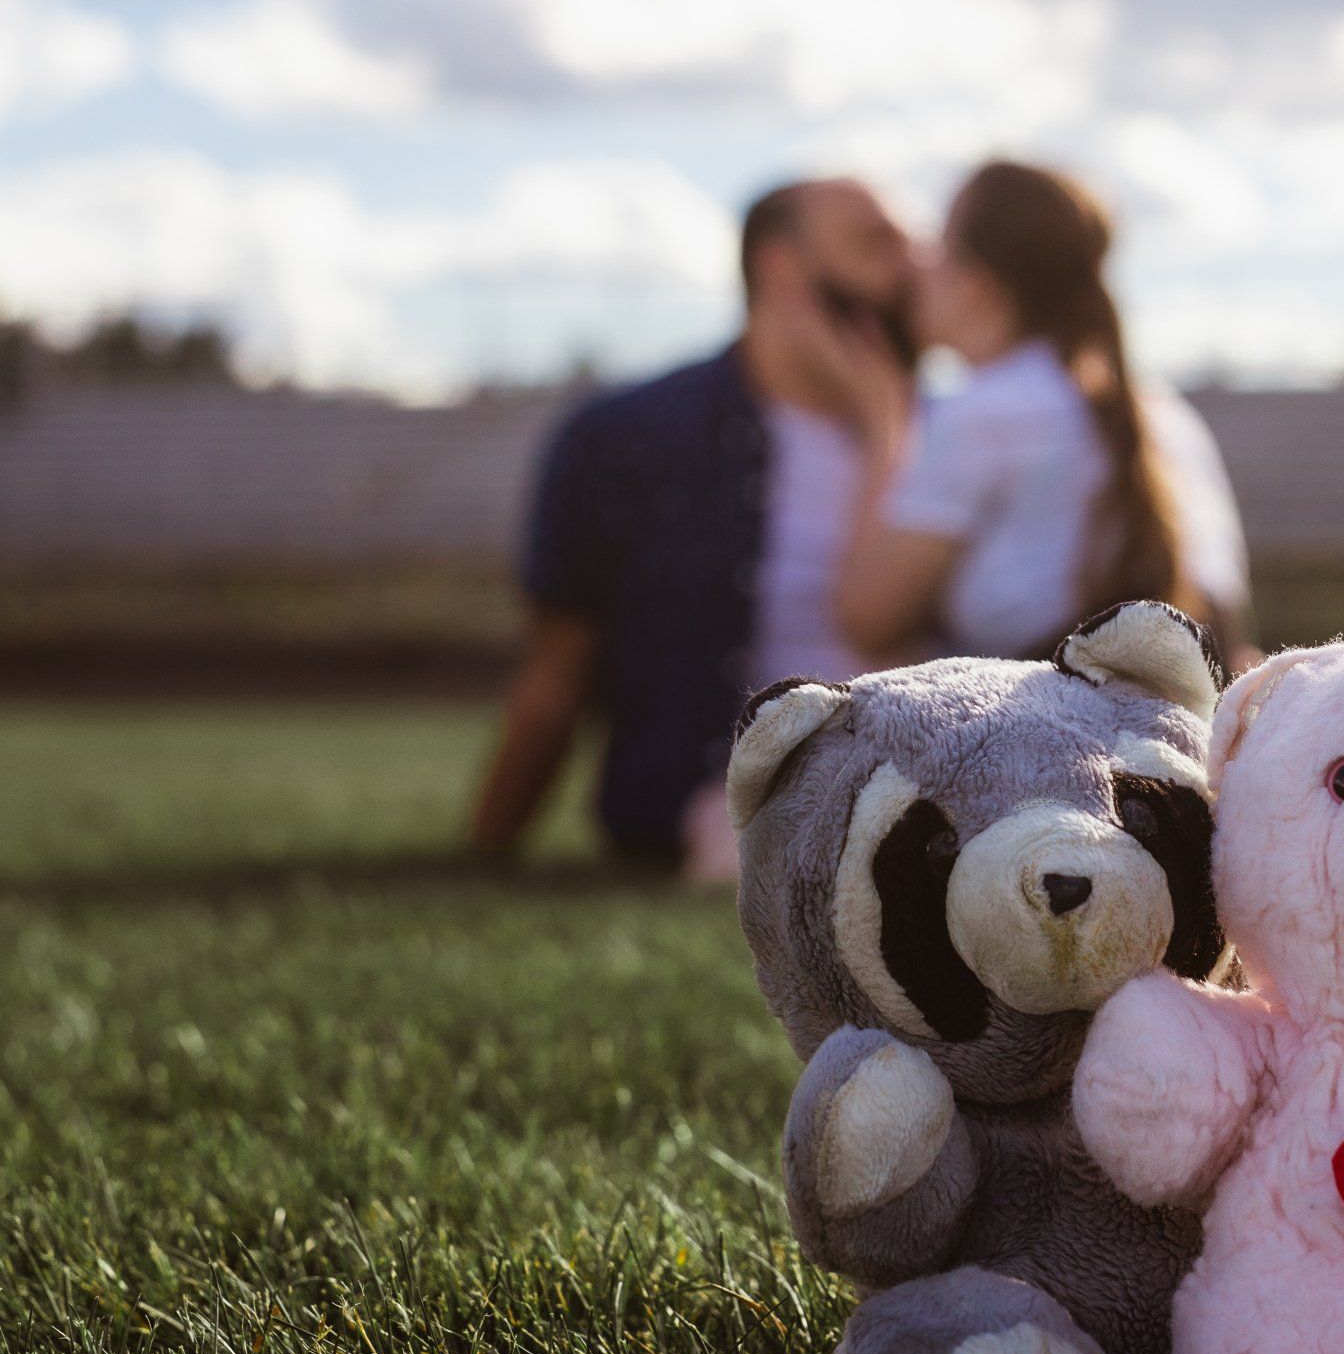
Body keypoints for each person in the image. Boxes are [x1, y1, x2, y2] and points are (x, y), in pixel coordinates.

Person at [469, 176, 916, 872]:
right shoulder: (626, 437)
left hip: (914, 804)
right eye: (876, 244)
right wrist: (485, 854)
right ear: (783, 269)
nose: (911, 270)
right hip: (700, 824)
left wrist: (890, 428)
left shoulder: (957, 435)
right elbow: (557, 671)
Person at [825, 158, 1252, 667]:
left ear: (975, 285)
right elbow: (1223, 615)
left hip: (1032, 716)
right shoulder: (1164, 411)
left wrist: (885, 426)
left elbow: (867, 619)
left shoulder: (984, 413)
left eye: (938, 245)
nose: (917, 267)